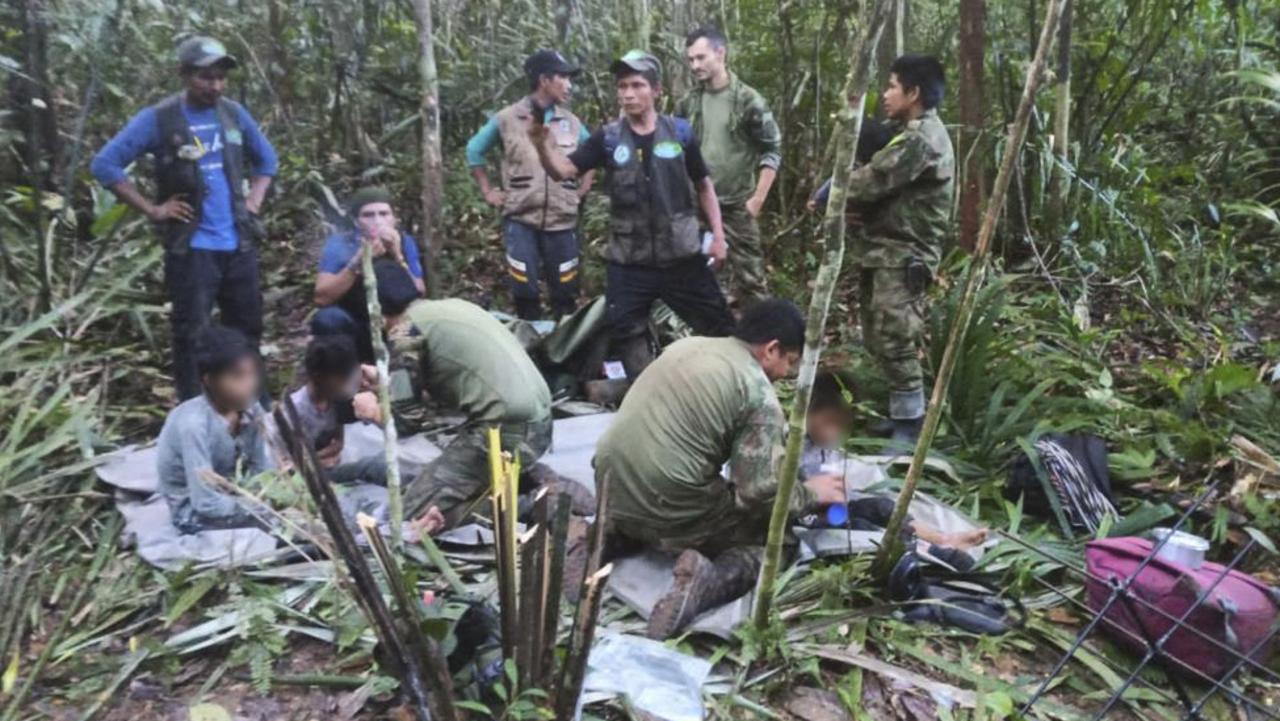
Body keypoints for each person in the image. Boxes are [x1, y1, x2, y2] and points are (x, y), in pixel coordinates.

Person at [594, 299, 848, 638]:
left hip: (609, 484)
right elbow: (756, 494)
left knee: (673, 488)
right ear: (771, 349)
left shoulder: (687, 346)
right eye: (789, 361)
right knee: (779, 545)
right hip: (668, 502)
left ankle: (606, 536)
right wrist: (810, 492)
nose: (786, 374)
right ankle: (707, 582)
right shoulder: (757, 392)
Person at [92, 36, 278, 400]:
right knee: (192, 333)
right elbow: (105, 164)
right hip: (192, 249)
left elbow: (267, 161)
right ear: (183, 74)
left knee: (247, 329)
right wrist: (153, 209)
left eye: (221, 77)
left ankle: (257, 409)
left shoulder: (233, 114)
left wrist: (253, 201)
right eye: (206, 77)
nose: (216, 86)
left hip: (238, 243)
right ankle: (197, 411)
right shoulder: (159, 119)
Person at [529, 50, 735, 378]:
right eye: (622, 86)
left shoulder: (680, 133)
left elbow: (704, 185)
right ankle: (650, 392)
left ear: (656, 91)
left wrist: (719, 237)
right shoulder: (608, 138)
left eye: (637, 85)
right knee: (626, 329)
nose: (627, 93)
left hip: (681, 255)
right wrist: (541, 144)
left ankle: (727, 387)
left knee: (719, 326)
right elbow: (563, 171)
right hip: (629, 260)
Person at [350, 271, 554, 531]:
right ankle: (520, 482)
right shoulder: (452, 307)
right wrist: (386, 380)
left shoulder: (404, 332)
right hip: (539, 423)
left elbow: (405, 423)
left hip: (506, 432)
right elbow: (452, 376)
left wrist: (373, 411)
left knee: (407, 517)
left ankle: (528, 506)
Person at [843, 55, 954, 446]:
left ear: (914, 93)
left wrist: (833, 191)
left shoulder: (921, 140)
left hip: (905, 255)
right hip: (884, 250)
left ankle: (911, 424)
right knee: (877, 334)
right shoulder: (905, 131)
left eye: (892, 86)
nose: (885, 94)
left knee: (896, 336)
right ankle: (899, 413)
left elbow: (871, 181)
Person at [466, 49, 595, 321]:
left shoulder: (571, 122)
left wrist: (582, 188)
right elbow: (474, 151)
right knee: (524, 289)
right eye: (563, 78)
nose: (569, 85)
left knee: (566, 290)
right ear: (544, 80)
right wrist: (489, 191)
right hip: (521, 219)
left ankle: (565, 350)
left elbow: (592, 153)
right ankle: (529, 346)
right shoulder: (507, 118)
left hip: (562, 221)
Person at [800, 368, 988, 550]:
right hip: (805, 516)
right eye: (828, 422)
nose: (833, 432)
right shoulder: (790, 446)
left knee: (882, 507)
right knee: (860, 527)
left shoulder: (827, 449)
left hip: (832, 511)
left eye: (841, 425)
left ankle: (941, 539)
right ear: (807, 411)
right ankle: (925, 550)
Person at [677, 26, 782, 307]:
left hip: (737, 205)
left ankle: (761, 343)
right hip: (697, 206)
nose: (695, 65)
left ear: (720, 53)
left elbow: (771, 149)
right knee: (698, 279)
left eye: (701, 58)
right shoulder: (688, 102)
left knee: (751, 281)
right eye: (691, 60)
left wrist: (757, 200)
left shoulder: (749, 101)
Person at [156, 326, 273, 533]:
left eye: (252, 374)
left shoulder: (252, 408)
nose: (250, 384)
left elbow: (262, 468)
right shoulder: (194, 425)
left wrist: (268, 494)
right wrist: (257, 507)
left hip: (236, 493)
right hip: (194, 512)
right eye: (237, 377)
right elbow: (205, 503)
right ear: (209, 380)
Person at [312, 187, 426, 362]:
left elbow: (419, 291)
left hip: (396, 320)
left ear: (394, 219)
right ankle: (345, 374)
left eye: (383, 214)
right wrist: (358, 262)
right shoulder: (341, 243)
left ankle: (406, 373)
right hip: (356, 319)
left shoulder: (404, 241)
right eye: (368, 215)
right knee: (328, 319)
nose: (377, 221)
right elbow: (322, 297)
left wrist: (397, 255)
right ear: (357, 221)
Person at [288, 334, 388, 486]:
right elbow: (292, 465)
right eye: (341, 378)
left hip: (329, 463)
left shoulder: (337, 398)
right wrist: (317, 461)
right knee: (369, 468)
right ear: (318, 376)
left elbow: (338, 444)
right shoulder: (296, 411)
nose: (347, 383)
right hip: (310, 479)